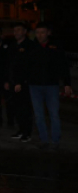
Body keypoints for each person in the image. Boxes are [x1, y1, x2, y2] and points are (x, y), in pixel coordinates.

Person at [27, 22, 72, 150]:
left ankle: (55, 140)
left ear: (48, 33)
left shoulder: (56, 46)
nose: (40, 35)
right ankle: (44, 140)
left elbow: (64, 65)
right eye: (38, 32)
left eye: (42, 32)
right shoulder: (32, 46)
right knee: (39, 114)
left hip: (51, 85)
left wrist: (67, 83)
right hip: (35, 85)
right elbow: (25, 65)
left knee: (54, 114)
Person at [5, 23, 36, 142]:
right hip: (12, 82)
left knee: (25, 108)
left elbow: (29, 66)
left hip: (24, 83)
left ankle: (27, 132)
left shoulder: (29, 46)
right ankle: (20, 130)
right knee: (16, 108)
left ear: (24, 31)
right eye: (14, 30)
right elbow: (8, 64)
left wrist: (21, 82)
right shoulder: (12, 46)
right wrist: (7, 80)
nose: (16, 32)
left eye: (19, 30)